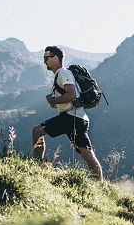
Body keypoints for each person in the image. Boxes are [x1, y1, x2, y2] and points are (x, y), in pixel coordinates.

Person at [32, 46, 103, 180]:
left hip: (71, 117)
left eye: (46, 58)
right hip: (78, 117)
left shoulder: (63, 73)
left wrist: (52, 100)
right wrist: (55, 102)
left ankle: (37, 168)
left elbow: (71, 95)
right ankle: (100, 184)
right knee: (87, 153)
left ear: (55, 58)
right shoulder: (62, 74)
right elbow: (67, 98)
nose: (44, 62)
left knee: (37, 132)